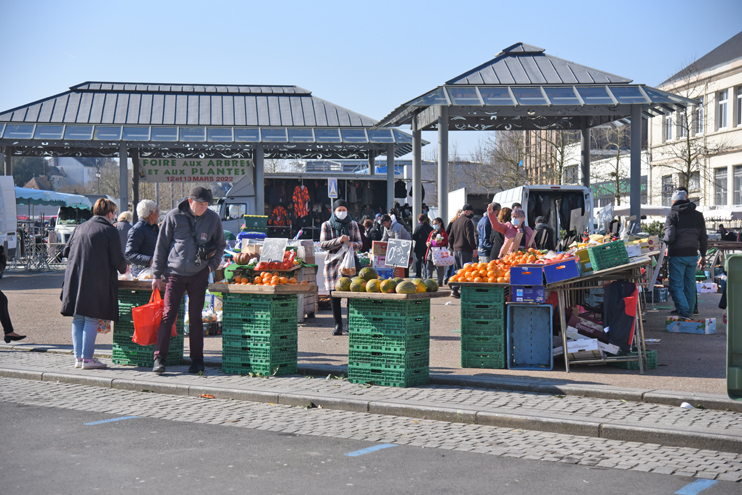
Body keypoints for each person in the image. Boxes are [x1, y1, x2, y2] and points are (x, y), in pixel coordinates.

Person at [151, 187, 226, 374]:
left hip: (199, 273)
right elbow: (162, 246)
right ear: (190, 201)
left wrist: (211, 266)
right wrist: (156, 274)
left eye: (207, 204)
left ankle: (197, 361)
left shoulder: (213, 219)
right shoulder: (173, 216)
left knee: (195, 318)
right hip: (174, 274)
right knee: (169, 315)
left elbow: (220, 245)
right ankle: (159, 358)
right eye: (201, 204)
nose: (204, 207)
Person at [61, 198, 126, 370]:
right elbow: (117, 259)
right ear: (110, 213)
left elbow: (66, 252)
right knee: (91, 317)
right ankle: (88, 359)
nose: (114, 216)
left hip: (75, 278)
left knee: (78, 317)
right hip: (96, 280)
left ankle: (79, 359)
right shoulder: (109, 231)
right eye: (114, 213)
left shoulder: (79, 227)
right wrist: (125, 268)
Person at [320, 199, 362, 336]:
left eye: (344, 210)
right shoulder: (326, 225)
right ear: (334, 211)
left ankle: (350, 324)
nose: (342, 212)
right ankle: (338, 324)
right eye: (339, 210)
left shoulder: (353, 224)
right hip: (333, 264)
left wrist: (350, 245)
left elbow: (360, 244)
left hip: (349, 264)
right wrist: (339, 241)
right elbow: (323, 244)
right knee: (334, 295)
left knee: (351, 293)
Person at [664, 189, 708, 319]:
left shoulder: (672, 214)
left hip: (677, 254)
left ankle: (684, 312)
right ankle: (689, 312)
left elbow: (670, 236)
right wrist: (703, 255)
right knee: (690, 284)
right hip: (692, 254)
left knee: (676, 285)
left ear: (673, 201)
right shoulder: (698, 215)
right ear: (687, 198)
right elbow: (703, 238)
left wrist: (664, 241)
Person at [448, 203, 478, 298]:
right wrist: (474, 247)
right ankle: (466, 291)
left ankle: (455, 290)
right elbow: (470, 236)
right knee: (466, 271)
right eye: (471, 212)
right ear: (466, 212)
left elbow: (450, 238)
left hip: (456, 250)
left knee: (458, 271)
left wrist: (453, 248)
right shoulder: (468, 221)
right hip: (465, 250)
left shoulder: (455, 222)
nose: (472, 214)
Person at [125, 200, 160, 277]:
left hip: (154, 272)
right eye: (157, 212)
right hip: (143, 274)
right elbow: (129, 254)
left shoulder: (154, 229)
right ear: (150, 214)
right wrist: (149, 260)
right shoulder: (137, 230)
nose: (158, 215)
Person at [425, 217, 449, 285]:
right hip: (431, 252)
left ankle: (440, 282)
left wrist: (441, 242)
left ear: (440, 223)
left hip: (439, 252)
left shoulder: (443, 232)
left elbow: (446, 243)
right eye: (433, 224)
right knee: (429, 268)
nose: (434, 225)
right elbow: (427, 240)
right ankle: (429, 282)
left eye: (436, 223)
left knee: (440, 268)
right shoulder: (432, 232)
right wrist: (427, 243)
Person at [443, 209, 463, 284]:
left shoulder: (464, 222)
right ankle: (447, 277)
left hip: (457, 245)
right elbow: (447, 233)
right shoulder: (452, 223)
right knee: (451, 262)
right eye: (458, 214)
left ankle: (449, 277)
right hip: (453, 245)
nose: (459, 215)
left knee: (453, 262)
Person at [413, 214, 434, 278]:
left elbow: (414, 237)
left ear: (419, 220)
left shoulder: (418, 227)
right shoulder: (430, 228)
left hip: (419, 247)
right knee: (426, 262)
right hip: (427, 247)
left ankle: (418, 275)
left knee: (418, 261)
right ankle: (426, 275)